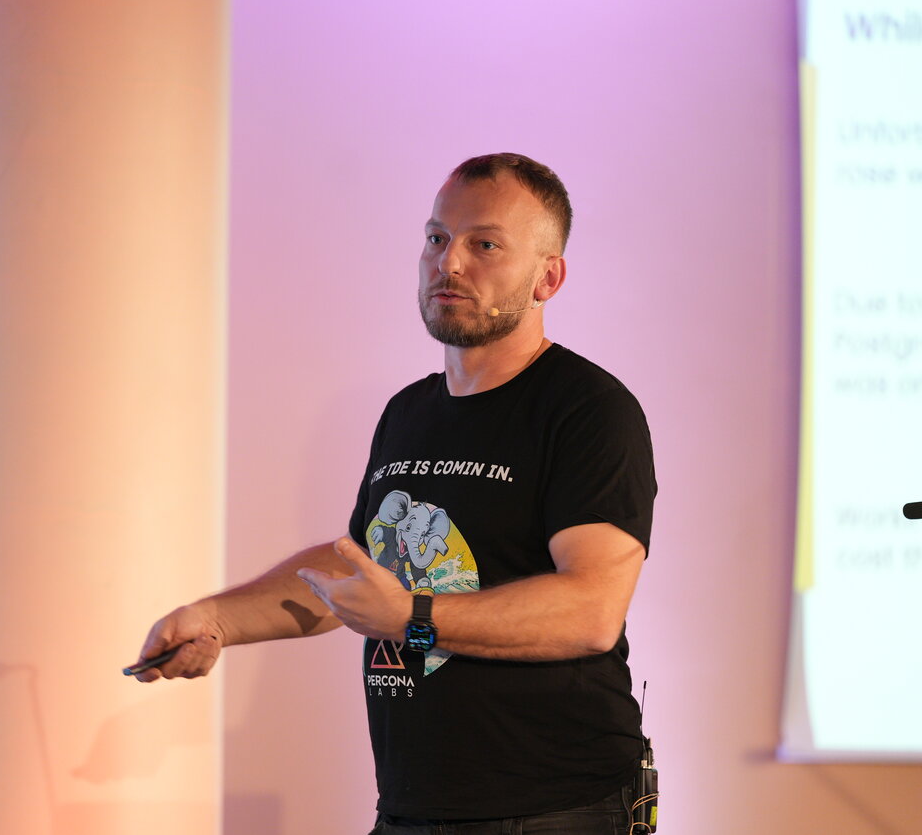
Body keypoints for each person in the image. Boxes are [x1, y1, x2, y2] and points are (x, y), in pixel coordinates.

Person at [130, 153, 656, 835]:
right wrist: (214, 619)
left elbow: (591, 610)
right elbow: (356, 572)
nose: (449, 263)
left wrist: (412, 617)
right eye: (437, 237)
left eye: (485, 244)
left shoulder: (587, 409)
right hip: (414, 808)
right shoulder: (408, 413)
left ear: (547, 278)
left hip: (556, 809)